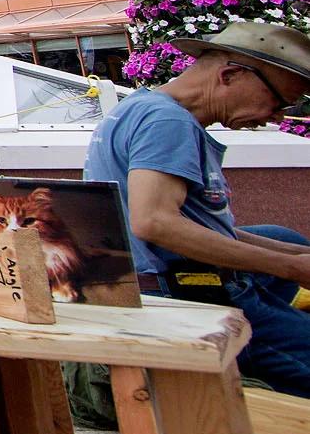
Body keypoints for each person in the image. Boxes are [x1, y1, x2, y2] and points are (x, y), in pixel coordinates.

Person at [85, 20, 310, 396]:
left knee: (282, 237)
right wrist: (290, 267)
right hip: (183, 296)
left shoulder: (143, 107)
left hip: (149, 281)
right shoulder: (168, 122)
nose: (277, 118)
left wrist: (297, 254)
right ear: (230, 75)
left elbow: (195, 223)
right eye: (277, 103)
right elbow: (155, 222)